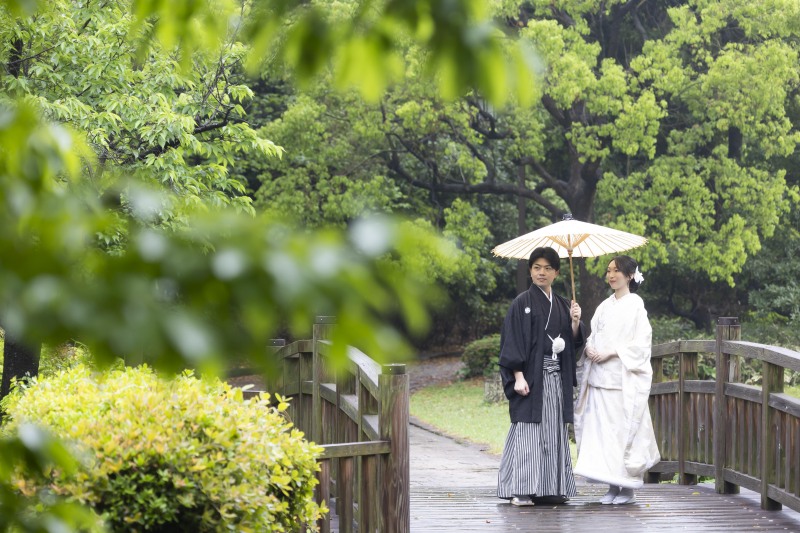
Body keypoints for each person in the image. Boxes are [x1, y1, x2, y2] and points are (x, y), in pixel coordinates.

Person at [497, 246, 585, 506]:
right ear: (530, 271)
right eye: (537, 268)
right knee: (529, 431)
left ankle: (549, 488)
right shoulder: (521, 303)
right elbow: (512, 341)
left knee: (553, 432)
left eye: (547, 268)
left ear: (557, 272)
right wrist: (518, 375)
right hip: (531, 378)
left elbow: (573, 343)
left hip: (555, 378)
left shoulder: (561, 304)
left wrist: (575, 323)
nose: (541, 273)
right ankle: (521, 489)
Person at [573, 255, 660, 505]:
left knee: (621, 434)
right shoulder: (604, 306)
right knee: (604, 436)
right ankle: (612, 486)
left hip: (621, 379)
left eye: (616, 271)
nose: (611, 275)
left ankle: (627, 488)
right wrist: (589, 347)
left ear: (630, 276)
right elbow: (594, 334)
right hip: (600, 378)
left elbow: (642, 344)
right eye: (609, 271)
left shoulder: (636, 305)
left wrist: (612, 352)